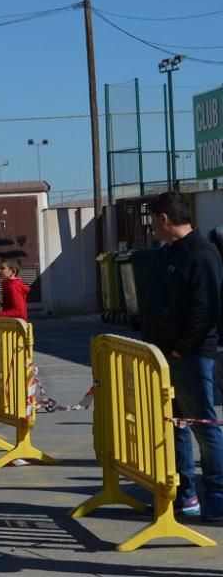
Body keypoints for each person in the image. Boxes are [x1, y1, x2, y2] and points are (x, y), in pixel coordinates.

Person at [141, 192, 223, 521]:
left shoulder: (202, 254)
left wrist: (180, 349)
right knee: (173, 426)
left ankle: (216, 494)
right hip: (164, 357)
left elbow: (206, 311)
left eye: (152, 220)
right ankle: (182, 493)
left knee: (202, 426)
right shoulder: (168, 253)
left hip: (189, 357)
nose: (151, 228)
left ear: (164, 218)